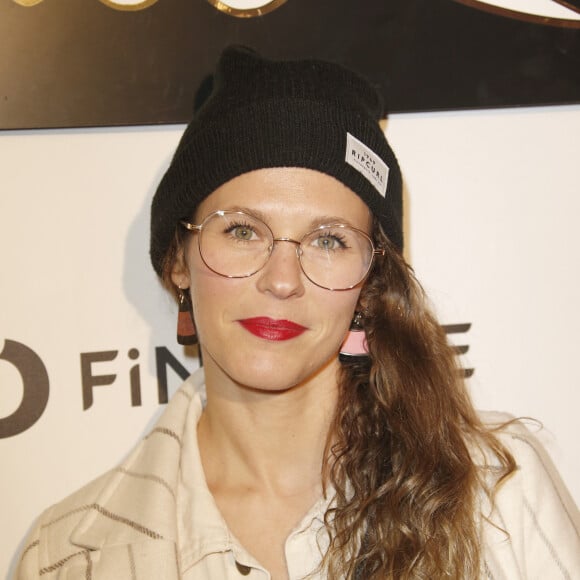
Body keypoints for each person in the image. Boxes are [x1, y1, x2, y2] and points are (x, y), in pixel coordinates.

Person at [15, 46, 580, 580]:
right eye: (242, 230)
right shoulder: (64, 557)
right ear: (178, 262)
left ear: (369, 284)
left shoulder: (496, 492)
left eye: (329, 241)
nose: (282, 281)